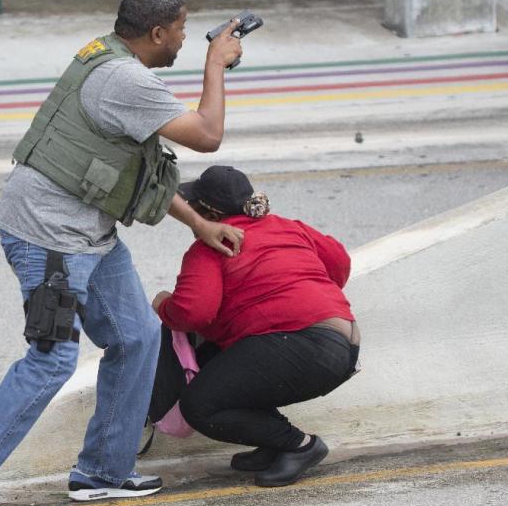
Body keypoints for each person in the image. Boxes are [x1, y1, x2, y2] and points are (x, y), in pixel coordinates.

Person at [0, 0, 244, 506]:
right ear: (157, 33)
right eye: (184, 32)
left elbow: (134, 166)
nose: (188, 42)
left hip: (87, 232)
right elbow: (208, 135)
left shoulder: (112, 58)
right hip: (47, 237)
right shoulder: (125, 79)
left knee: (138, 337)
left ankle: (102, 470)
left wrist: (198, 222)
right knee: (51, 359)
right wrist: (218, 63)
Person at [152, 165, 361, 488]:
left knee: (200, 405)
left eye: (194, 206)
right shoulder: (289, 227)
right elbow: (339, 263)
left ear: (208, 212)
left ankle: (300, 445)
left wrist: (162, 303)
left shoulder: (211, 247)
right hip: (345, 342)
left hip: (300, 345)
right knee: (234, 368)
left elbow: (194, 313)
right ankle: (273, 442)